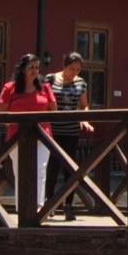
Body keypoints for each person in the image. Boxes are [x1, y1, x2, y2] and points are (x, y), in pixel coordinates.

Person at [0, 54, 58, 213]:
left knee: (40, 170)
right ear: (22, 69)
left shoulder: (45, 87)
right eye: (31, 67)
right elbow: (0, 113)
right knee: (21, 172)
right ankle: (22, 208)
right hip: (18, 137)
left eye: (37, 67)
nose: (34, 71)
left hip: (42, 135)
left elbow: (53, 110)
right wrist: (13, 122)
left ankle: (38, 207)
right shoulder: (10, 88)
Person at [45, 52, 88, 217]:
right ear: (64, 66)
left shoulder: (81, 83)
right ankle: (49, 203)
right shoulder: (51, 79)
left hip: (71, 131)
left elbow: (84, 105)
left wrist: (85, 119)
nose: (74, 72)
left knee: (70, 169)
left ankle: (68, 205)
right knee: (52, 168)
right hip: (52, 130)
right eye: (71, 69)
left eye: (77, 69)